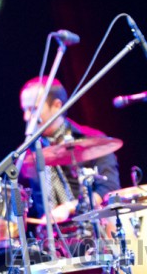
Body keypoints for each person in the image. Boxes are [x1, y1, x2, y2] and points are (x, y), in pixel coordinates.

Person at [18, 77, 120, 246]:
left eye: (33, 109)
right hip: (49, 243)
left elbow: (109, 189)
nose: (26, 117)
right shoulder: (25, 156)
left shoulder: (93, 140)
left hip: (94, 235)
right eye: (24, 110)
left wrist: (69, 207)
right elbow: (20, 200)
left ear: (57, 106)